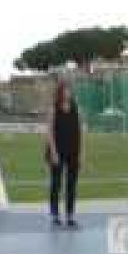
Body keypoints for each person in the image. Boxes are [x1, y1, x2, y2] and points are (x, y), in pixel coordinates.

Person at [45, 80, 84, 228]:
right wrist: (53, 152)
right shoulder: (53, 109)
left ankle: (70, 215)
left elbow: (80, 132)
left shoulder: (77, 109)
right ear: (60, 92)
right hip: (57, 150)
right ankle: (55, 214)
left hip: (73, 150)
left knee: (71, 184)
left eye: (70, 90)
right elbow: (49, 132)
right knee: (56, 183)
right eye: (66, 90)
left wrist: (81, 153)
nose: (68, 92)